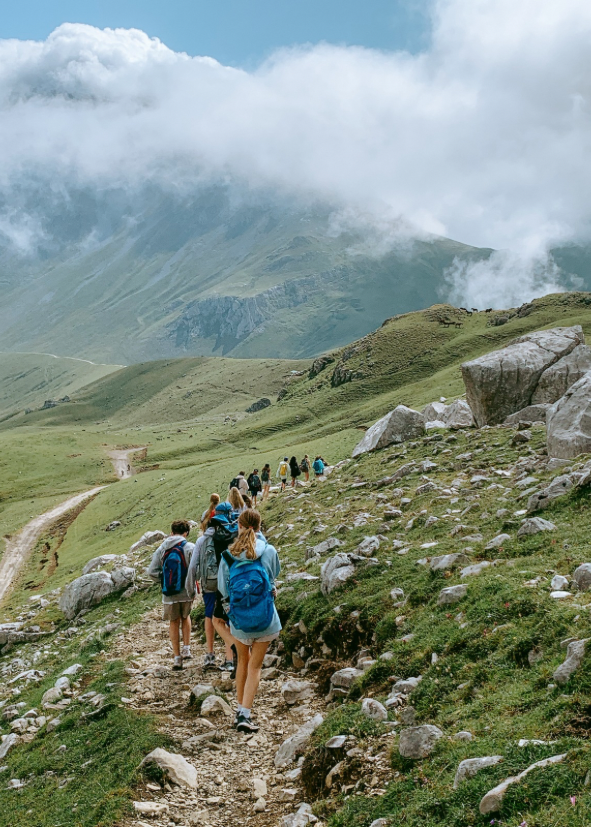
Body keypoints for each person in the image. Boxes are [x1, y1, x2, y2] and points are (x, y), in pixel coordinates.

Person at [218, 509, 281, 733]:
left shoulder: (227, 556)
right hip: (265, 618)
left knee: (242, 662)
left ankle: (238, 709)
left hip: (240, 622)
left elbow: (223, 589)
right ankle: (246, 713)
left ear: (239, 527)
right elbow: (274, 575)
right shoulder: (269, 551)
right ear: (259, 526)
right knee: (255, 666)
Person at [186, 505, 235, 671]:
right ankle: (230, 658)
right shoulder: (231, 535)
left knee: (210, 616)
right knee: (227, 618)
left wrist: (191, 589)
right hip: (228, 583)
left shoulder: (202, 540)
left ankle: (210, 655)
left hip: (210, 583)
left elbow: (193, 566)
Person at [147, 520, 195, 671]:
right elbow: (195, 568)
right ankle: (187, 648)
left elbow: (151, 571)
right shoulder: (190, 547)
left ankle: (177, 658)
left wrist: (163, 580)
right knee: (185, 617)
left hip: (169, 594)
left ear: (172, 532)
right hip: (186, 591)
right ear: (186, 533)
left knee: (173, 622)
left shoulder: (162, 548)